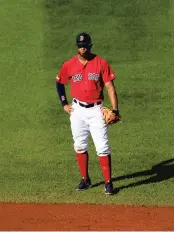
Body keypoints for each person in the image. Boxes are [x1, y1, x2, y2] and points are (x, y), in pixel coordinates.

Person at [55, 32, 120, 195]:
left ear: (90, 46)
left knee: (103, 148)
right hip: (77, 111)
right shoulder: (69, 65)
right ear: (77, 47)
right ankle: (85, 179)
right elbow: (59, 83)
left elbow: (110, 88)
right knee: (79, 145)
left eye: (85, 46)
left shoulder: (101, 63)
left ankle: (108, 183)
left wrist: (115, 109)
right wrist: (64, 103)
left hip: (96, 110)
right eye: (79, 46)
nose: (82, 48)